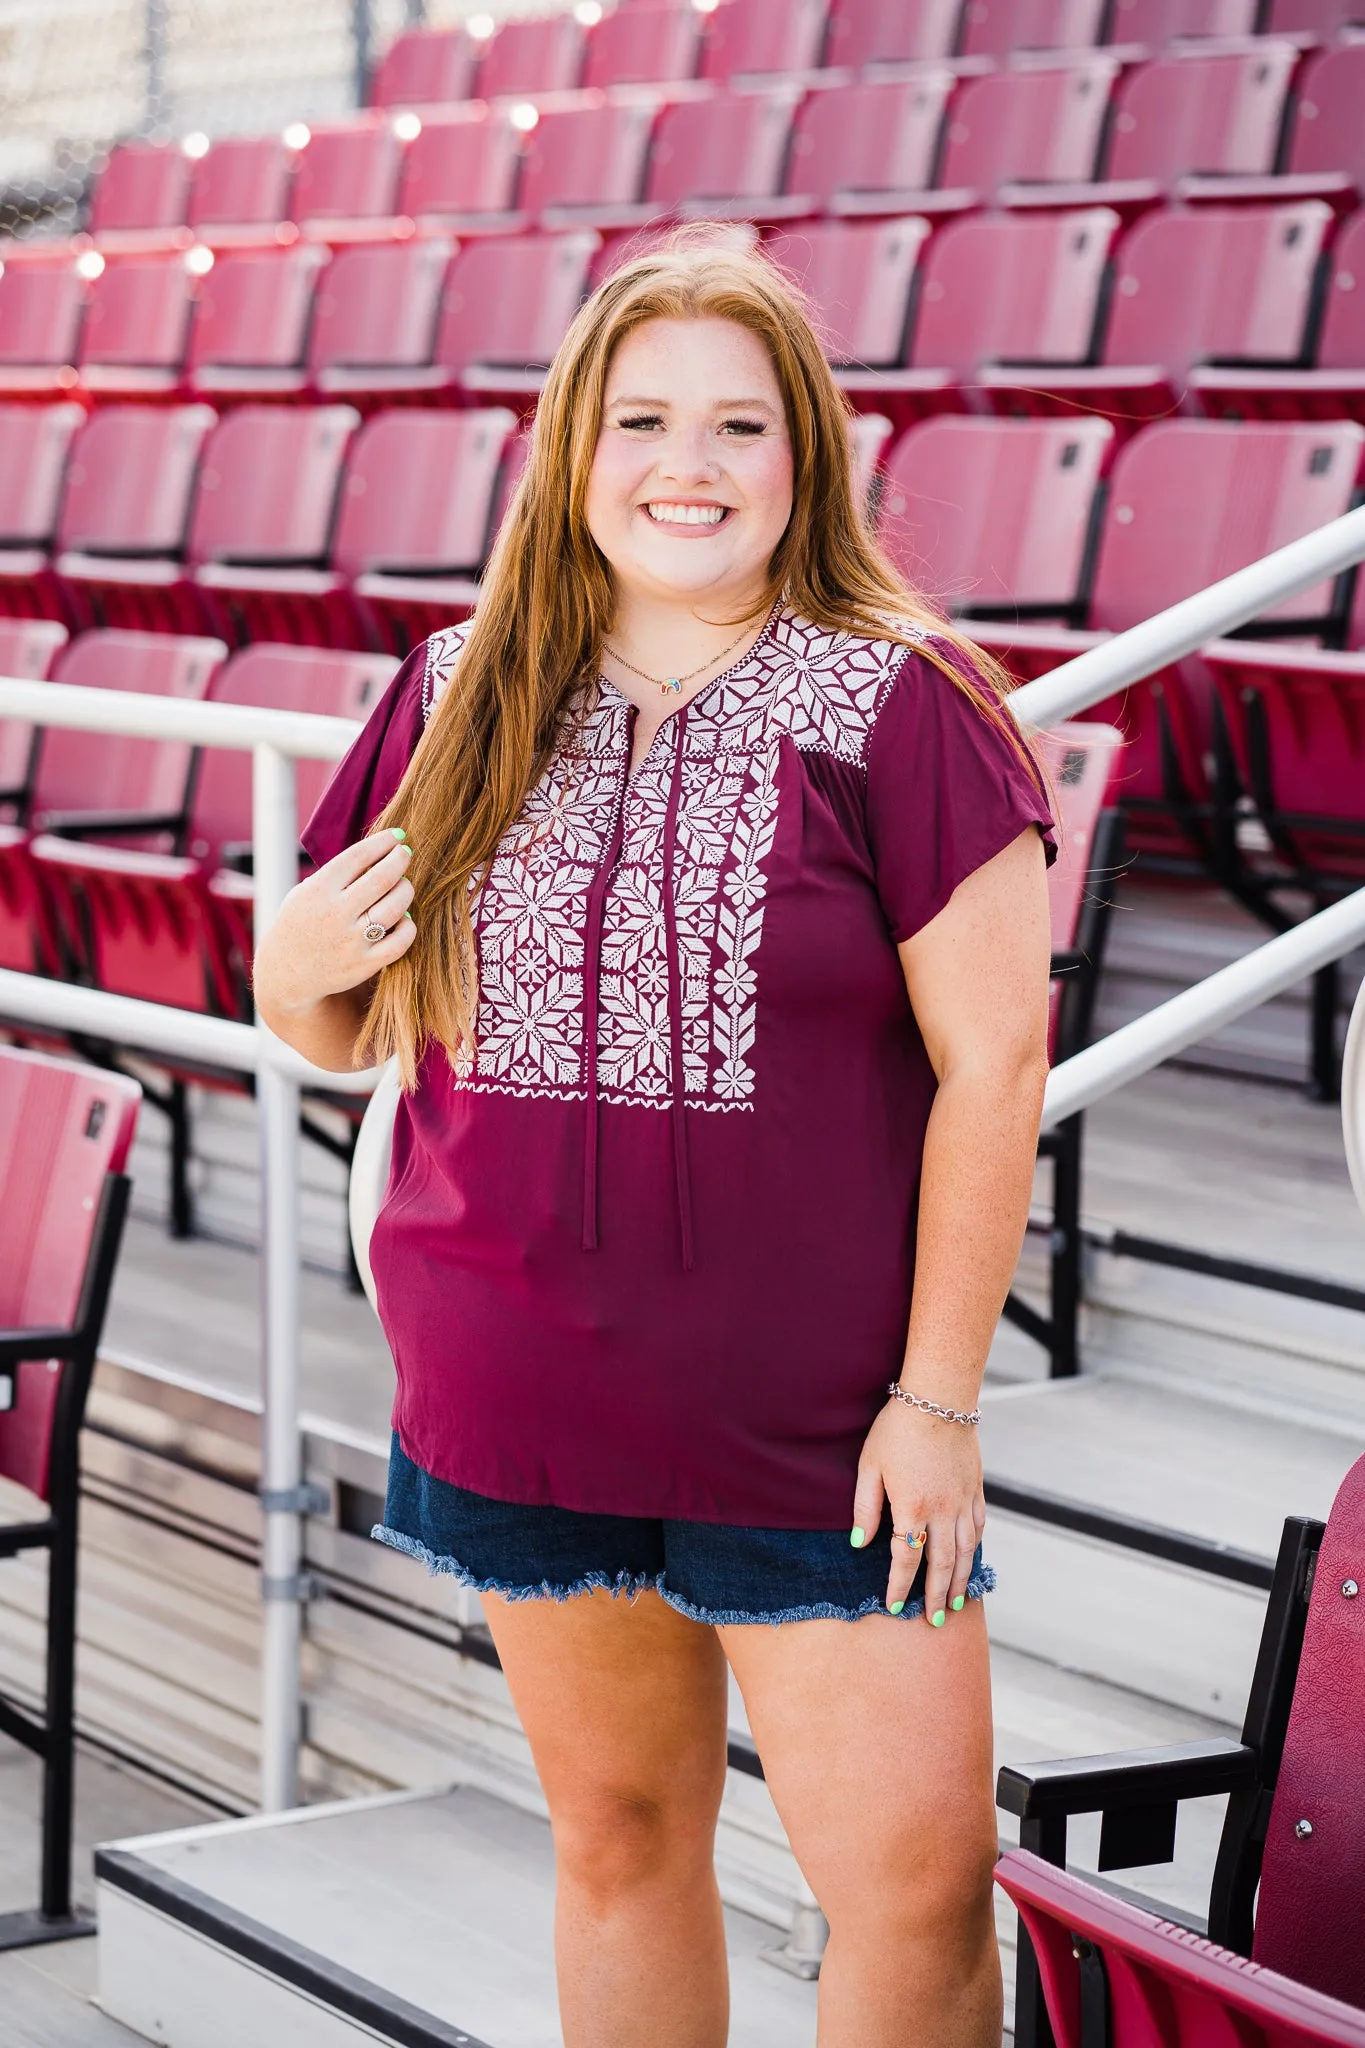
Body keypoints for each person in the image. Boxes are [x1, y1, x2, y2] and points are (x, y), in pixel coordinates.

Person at [254, 230, 1055, 2048]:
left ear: (808, 461)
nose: (685, 468)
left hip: (826, 1428)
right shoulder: (460, 693)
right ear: (569, 449)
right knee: (619, 1841)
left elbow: (997, 1071)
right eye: (641, 421)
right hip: (523, 1375)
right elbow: (336, 1014)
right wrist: (282, 964)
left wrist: (939, 1401)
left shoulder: (905, 702)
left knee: (919, 1906)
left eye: (739, 428)